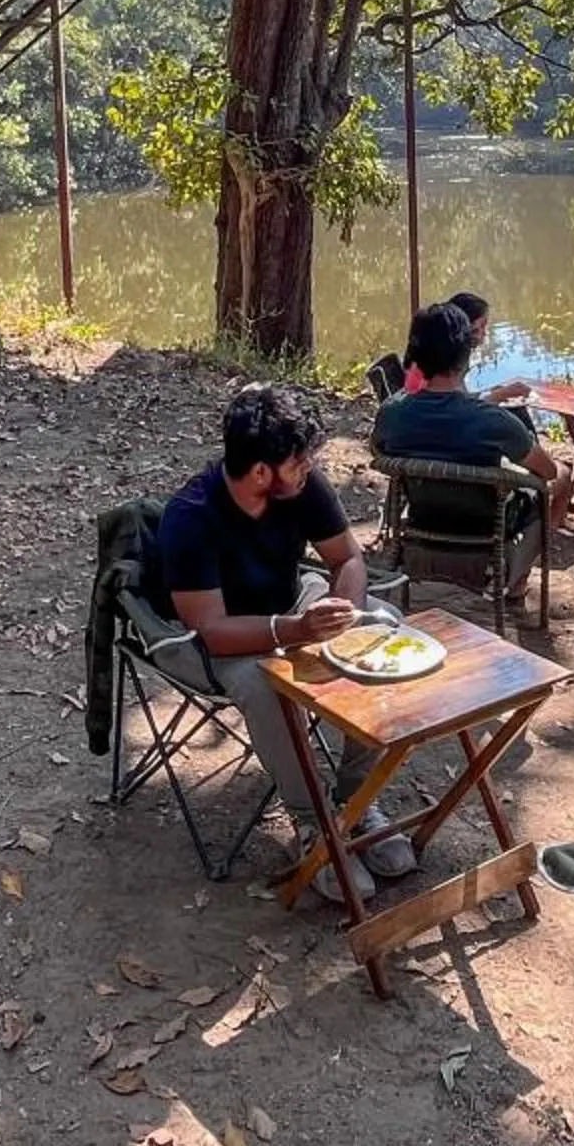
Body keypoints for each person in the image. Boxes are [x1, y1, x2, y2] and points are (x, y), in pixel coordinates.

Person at [152, 384, 419, 900]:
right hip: (216, 639)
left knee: (384, 626)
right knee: (266, 684)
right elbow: (213, 630)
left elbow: (347, 558)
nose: (308, 469)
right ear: (260, 472)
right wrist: (292, 631)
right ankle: (312, 820)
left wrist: (346, 615)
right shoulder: (191, 516)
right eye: (298, 463)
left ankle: (356, 800)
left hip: (292, 600)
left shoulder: (302, 484)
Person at [376, 299, 574, 531]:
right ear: (464, 354)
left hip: (423, 519)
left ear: (413, 353)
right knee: (562, 473)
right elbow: (548, 471)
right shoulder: (494, 421)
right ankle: (543, 540)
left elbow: (378, 451)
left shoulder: (391, 413)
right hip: (487, 529)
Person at [398, 291, 530, 405]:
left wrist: (494, 393)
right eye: (477, 329)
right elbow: (453, 409)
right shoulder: (442, 365)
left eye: (485, 326)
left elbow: (460, 399)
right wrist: (499, 395)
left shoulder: (440, 354)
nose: (484, 333)